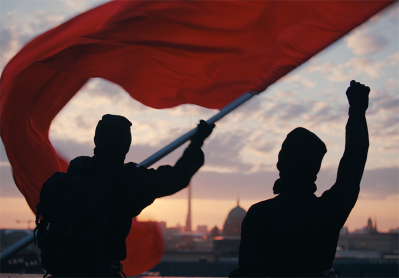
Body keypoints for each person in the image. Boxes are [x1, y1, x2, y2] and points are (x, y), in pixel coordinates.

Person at [38, 115, 214, 277]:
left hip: (61, 270)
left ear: (95, 140)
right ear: (127, 144)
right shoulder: (129, 180)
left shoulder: (77, 168)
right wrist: (197, 142)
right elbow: (178, 177)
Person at [229, 80, 370, 277]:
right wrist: (357, 112)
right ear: (315, 169)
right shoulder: (329, 210)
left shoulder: (258, 215)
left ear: (280, 165)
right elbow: (353, 163)